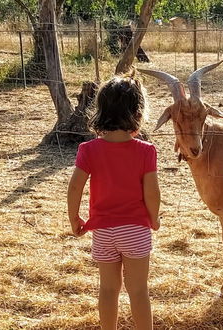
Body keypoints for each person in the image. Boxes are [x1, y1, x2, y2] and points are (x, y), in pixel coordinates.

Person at [67, 71, 161, 330]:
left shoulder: (88, 150)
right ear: (138, 113)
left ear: (100, 111)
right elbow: (152, 192)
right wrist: (153, 218)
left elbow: (75, 186)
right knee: (139, 291)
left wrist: (74, 218)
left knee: (108, 290)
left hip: (103, 231)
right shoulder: (146, 151)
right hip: (136, 230)